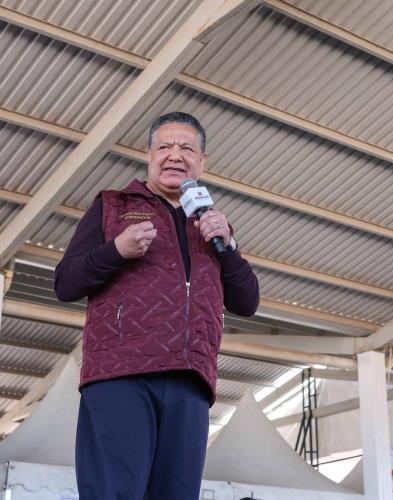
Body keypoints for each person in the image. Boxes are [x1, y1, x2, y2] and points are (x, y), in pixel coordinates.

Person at [54, 111, 259, 499]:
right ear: (148, 155)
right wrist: (117, 250)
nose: (175, 155)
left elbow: (247, 302)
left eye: (187, 148)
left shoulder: (211, 223)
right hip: (121, 374)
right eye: (164, 146)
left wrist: (228, 248)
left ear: (202, 163)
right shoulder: (112, 206)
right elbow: (65, 282)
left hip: (190, 381)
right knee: (114, 492)